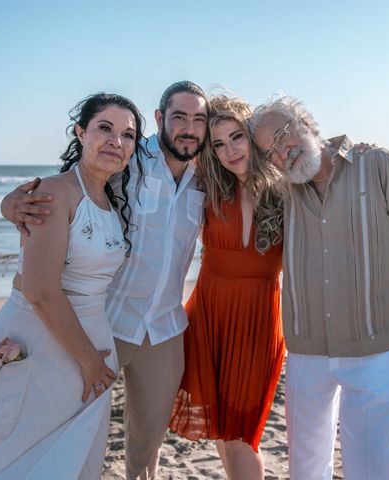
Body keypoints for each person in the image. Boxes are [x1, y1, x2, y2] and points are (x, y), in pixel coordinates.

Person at [0, 81, 209, 480]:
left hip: (164, 327)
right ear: (161, 119)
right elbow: (72, 189)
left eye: (198, 119)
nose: (189, 128)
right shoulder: (128, 155)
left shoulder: (207, 175)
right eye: (179, 117)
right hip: (104, 320)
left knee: (148, 439)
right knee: (74, 428)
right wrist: (10, 203)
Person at [0, 93, 146, 479]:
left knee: (67, 456)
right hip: (42, 340)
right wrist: (90, 361)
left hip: (88, 346)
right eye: (105, 128)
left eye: (128, 135)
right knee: (14, 453)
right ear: (80, 133)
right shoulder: (54, 192)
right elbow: (39, 290)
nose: (116, 141)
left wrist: (94, 361)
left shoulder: (111, 198)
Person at [249, 96, 389, 480]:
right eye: (270, 152)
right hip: (305, 356)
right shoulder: (281, 194)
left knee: (374, 470)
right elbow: (231, 169)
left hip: (376, 353)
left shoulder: (378, 165)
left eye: (283, 135)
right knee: (305, 471)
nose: (283, 152)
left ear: (306, 122)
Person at [168, 96, 285, 479]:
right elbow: (151, 165)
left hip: (257, 322)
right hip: (208, 316)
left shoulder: (286, 193)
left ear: (253, 137)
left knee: (242, 435)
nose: (230, 150)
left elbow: (327, 174)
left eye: (237, 137)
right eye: (218, 143)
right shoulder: (206, 185)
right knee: (222, 430)